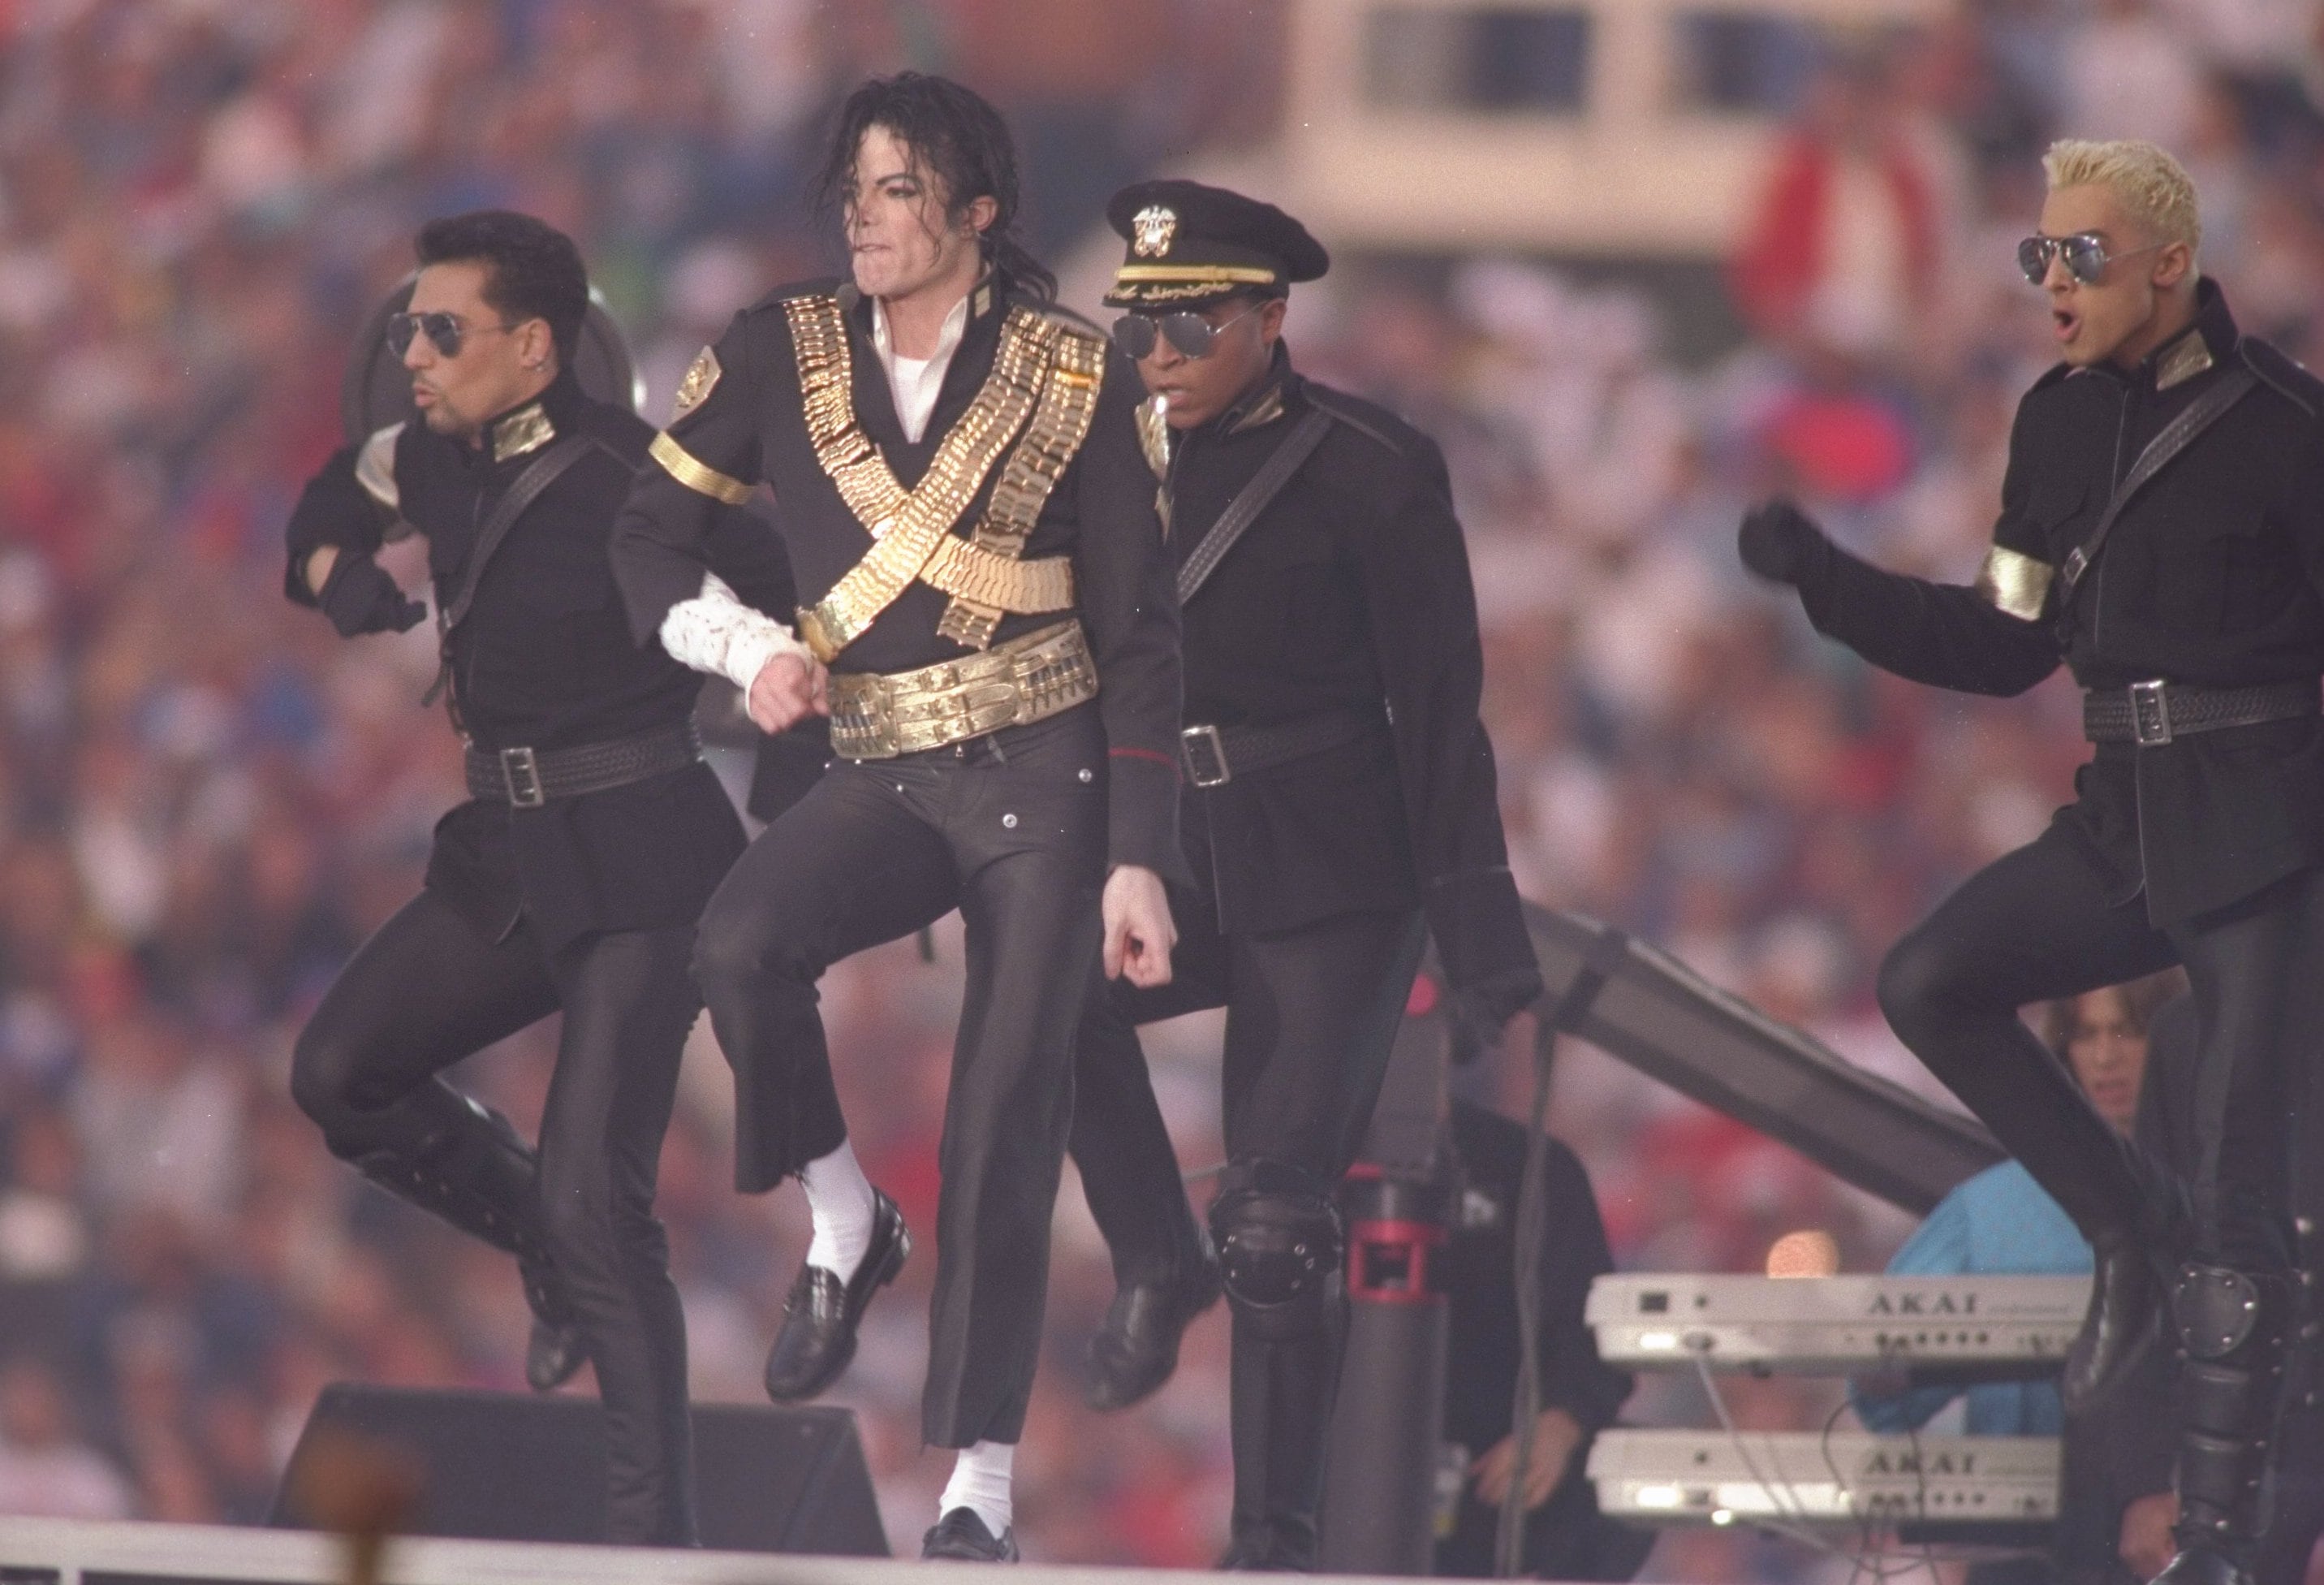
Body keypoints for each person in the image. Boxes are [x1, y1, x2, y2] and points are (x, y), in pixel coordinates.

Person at [607, 73, 1184, 1563]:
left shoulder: (1075, 371)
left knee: (1006, 1108)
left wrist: (1137, 853)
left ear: (976, 211)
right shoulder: (772, 347)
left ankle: (976, 1481)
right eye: (852, 191)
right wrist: (746, 650)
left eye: (899, 191)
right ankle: (845, 1218)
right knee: (733, 948)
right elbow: (647, 536)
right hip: (873, 762)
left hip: (1045, 775)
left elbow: (1136, 631)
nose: (864, 219)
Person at [1737, 138, 2324, 1585]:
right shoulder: (2052, 424)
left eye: (2078, 256)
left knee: (2245, 1208)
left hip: (2266, 829)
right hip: (2122, 817)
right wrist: (1829, 582)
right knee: (1928, 978)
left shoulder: (2289, 430)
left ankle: (2209, 1538)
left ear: (2169, 266)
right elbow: (2003, 642)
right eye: (2034, 256)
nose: (2048, 283)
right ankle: (2121, 1227)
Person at [284, 211, 787, 1545]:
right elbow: (333, 492)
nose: (411, 353)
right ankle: (544, 1261)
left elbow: (795, 604)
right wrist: (332, 569)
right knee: (339, 1075)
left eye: (440, 331)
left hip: (645, 854)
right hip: (505, 855)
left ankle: (651, 1539)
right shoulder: (431, 459)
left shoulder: (647, 478)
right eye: (406, 328)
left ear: (534, 345)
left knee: (596, 1200)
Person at [1062, 179, 1543, 1570]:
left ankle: (1271, 1545)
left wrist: (1478, 932)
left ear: (1270, 319)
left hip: (1334, 859)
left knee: (1275, 1227)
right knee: (1038, 1004)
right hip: (1162, 846)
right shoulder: (1091, 460)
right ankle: (1156, 1261)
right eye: (1137, 324)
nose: (1155, 352)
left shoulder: (1369, 470)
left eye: (1190, 323)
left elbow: (1440, 710)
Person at [1851, 972, 2184, 1585]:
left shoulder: (2216, 1193)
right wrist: (1882, 1368)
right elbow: (1882, 1400)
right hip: (2031, 1555)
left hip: (2182, 1535)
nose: (2106, 1056)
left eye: (2127, 1031)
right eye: (2087, 1035)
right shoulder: (1989, 1208)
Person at [1434, 1097, 1647, 1582]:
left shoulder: (1527, 1163)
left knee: (1623, 1474)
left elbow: (1590, 1330)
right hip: (1341, 1477)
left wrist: (1561, 1422)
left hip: (1501, 1476)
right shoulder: (1315, 1164)